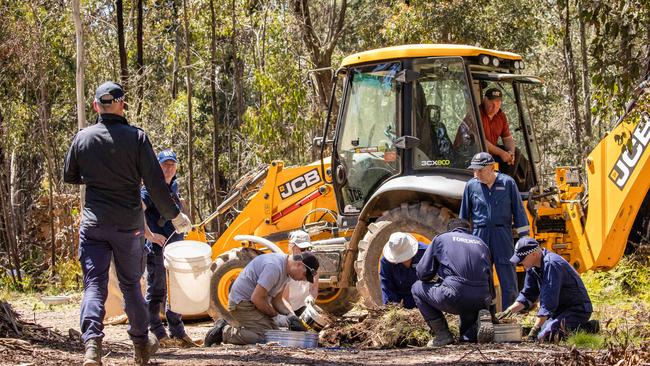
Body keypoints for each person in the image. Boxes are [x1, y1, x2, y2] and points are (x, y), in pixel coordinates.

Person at [63, 81, 192, 366]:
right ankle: (140, 347)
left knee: (94, 286)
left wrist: (98, 178)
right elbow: (157, 185)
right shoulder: (136, 138)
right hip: (128, 225)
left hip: (94, 224)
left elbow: (69, 176)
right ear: (122, 104)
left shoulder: (83, 137)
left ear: (96, 106)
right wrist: (175, 215)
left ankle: (92, 347)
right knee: (131, 285)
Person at [203, 251, 319, 346]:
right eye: (305, 275)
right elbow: (257, 298)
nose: (303, 279)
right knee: (264, 336)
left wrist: (290, 316)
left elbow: (277, 301)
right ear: (299, 264)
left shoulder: (287, 273)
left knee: (276, 334)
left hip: (254, 304)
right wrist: (276, 316)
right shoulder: (274, 267)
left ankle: (244, 329)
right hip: (241, 303)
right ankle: (224, 332)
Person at [460, 152, 529, 310]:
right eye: (474, 170)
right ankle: (486, 316)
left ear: (492, 167)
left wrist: (524, 239)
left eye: (480, 170)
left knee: (508, 278)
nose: (476, 174)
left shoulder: (508, 183)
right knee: (482, 278)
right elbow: (463, 217)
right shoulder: (471, 186)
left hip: (502, 236)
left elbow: (519, 213)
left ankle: (509, 316)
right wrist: (462, 241)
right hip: (479, 236)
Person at [411, 219, 495, 346]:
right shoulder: (481, 243)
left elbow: (423, 273)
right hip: (481, 300)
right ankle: (470, 335)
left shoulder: (442, 239)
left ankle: (442, 334)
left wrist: (438, 278)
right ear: (468, 230)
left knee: (417, 287)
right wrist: (491, 309)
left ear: (450, 230)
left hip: (455, 295)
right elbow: (489, 280)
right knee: (469, 290)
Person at [141, 149, 195, 347]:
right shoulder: (149, 189)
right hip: (157, 250)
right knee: (157, 290)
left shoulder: (174, 185)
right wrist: (150, 235)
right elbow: (138, 209)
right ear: (158, 166)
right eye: (165, 165)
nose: (169, 168)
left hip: (176, 250)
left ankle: (178, 332)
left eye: (172, 164)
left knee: (177, 290)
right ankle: (156, 332)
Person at [499, 237, 599, 342]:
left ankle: (589, 328)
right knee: (542, 331)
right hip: (559, 311)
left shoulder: (552, 264)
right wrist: (507, 312)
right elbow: (528, 295)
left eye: (522, 259)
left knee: (546, 336)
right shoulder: (532, 267)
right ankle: (566, 326)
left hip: (577, 309)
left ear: (533, 254)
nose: (520, 263)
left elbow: (548, 302)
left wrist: (535, 329)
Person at [379, 232, 427, 309]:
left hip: (425, 299)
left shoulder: (425, 253)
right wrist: (393, 308)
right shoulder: (386, 262)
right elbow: (387, 287)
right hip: (403, 303)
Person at [283, 231, 319, 316]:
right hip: (285, 310)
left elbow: (314, 288)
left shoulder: (312, 264)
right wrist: (292, 316)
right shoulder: (285, 267)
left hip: (302, 308)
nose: (305, 252)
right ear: (291, 247)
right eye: (302, 249)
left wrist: (311, 297)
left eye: (308, 249)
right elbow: (284, 299)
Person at [479, 88, 516, 169]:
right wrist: (501, 153)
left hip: (490, 157)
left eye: (497, 102)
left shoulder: (501, 116)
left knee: (515, 161)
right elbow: (480, 141)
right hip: (474, 157)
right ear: (485, 99)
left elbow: (508, 138)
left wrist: (511, 153)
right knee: (492, 167)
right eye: (492, 102)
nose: (495, 105)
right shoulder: (476, 114)